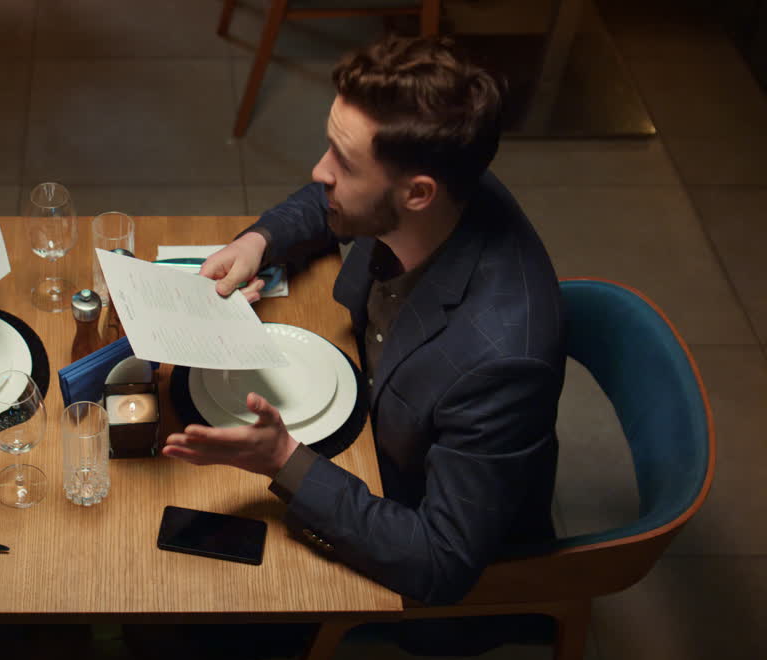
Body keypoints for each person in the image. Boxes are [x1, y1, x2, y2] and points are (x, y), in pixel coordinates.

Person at [165, 34, 565, 607]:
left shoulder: (502, 361)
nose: (318, 170)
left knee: (191, 610)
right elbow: (339, 203)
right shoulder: (445, 182)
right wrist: (260, 240)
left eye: (344, 162)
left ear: (418, 193)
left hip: (402, 516)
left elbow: (441, 562)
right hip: (366, 426)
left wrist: (283, 460)